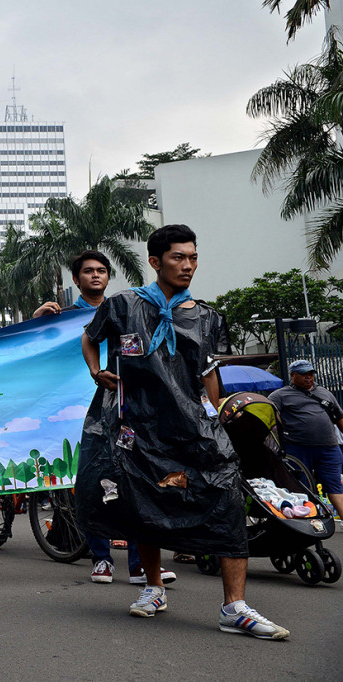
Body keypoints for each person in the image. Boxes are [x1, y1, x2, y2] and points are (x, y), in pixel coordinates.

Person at [76, 225, 289, 639]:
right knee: (144, 502)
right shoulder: (123, 305)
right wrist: (96, 370)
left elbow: (209, 373)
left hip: (195, 427)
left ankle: (235, 607)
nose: (188, 265)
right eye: (179, 257)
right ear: (156, 262)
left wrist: (218, 418)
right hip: (138, 428)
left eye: (193, 257)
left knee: (227, 500)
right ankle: (153, 588)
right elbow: (89, 339)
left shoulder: (207, 317)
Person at [32, 251, 176, 585]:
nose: (96, 275)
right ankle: (101, 558)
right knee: (91, 481)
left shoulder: (126, 310)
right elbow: (31, 351)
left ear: (108, 276)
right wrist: (37, 320)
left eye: (101, 270)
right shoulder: (61, 317)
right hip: (75, 412)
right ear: (76, 278)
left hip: (123, 408)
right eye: (88, 271)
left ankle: (140, 564)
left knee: (135, 480)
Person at [268, 359, 343, 520]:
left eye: (311, 374)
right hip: (298, 449)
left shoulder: (325, 393)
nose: (308, 377)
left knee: (335, 486)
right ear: (292, 375)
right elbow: (269, 417)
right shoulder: (280, 395)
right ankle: (311, 522)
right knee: (302, 488)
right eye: (303, 374)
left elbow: (339, 417)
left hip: (328, 448)